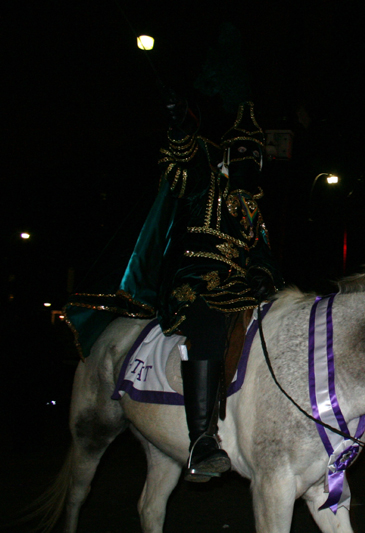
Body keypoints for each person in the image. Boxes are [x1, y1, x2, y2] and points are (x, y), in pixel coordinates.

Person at [65, 97, 283, 482]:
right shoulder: (209, 181)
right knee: (210, 321)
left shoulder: (253, 209)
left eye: (255, 153)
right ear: (227, 154)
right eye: (241, 151)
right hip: (194, 283)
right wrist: (182, 131)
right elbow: (182, 171)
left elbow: (262, 253)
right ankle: (202, 439)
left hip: (243, 290)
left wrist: (264, 273)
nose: (248, 159)